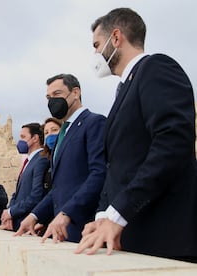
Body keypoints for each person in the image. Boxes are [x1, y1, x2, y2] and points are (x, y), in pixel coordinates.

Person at [75, 8, 197, 263]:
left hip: (164, 239)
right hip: (132, 240)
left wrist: (119, 214)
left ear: (116, 38)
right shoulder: (123, 90)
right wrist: (103, 217)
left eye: (97, 45)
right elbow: (118, 165)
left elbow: (172, 144)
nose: (96, 54)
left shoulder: (156, 68)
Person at [15, 73, 107, 243]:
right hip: (62, 232)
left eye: (57, 94)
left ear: (76, 92)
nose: (52, 101)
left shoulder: (94, 122)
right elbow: (58, 188)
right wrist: (34, 215)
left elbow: (99, 174)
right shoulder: (62, 136)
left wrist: (68, 213)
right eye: (48, 97)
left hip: (84, 229)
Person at [0, 123, 49, 231]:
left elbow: (36, 195)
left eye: (23, 137)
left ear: (35, 138)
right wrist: (9, 212)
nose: (20, 141)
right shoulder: (29, 161)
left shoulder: (41, 160)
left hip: (27, 224)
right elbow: (17, 193)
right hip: (16, 222)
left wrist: (12, 212)